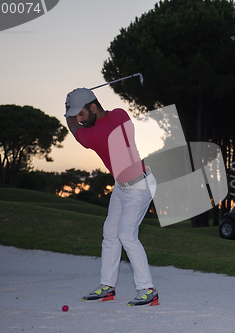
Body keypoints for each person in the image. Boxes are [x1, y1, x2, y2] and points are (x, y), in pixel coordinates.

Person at [64, 88, 158, 306]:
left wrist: (67, 113)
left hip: (139, 187)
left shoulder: (95, 136)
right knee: (110, 233)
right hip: (121, 185)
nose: (79, 119)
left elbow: (74, 128)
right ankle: (107, 287)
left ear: (93, 107)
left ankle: (148, 290)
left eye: (82, 114)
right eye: (77, 114)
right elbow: (105, 116)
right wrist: (76, 106)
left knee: (126, 234)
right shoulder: (121, 114)